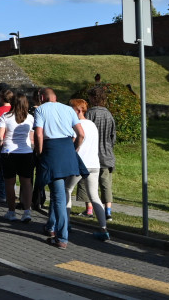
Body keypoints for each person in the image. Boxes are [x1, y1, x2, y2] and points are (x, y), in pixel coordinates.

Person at [33, 87, 85, 249]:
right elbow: (81, 134)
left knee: (59, 196)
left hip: (52, 151)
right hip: (68, 150)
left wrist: (40, 152)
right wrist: (74, 148)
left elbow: (39, 134)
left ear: (42, 97)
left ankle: (62, 237)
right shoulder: (68, 109)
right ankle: (51, 226)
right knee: (58, 194)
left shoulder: (40, 110)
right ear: (55, 97)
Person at [64, 99, 109, 241]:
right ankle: (103, 228)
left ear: (78, 110)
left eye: (71, 109)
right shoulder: (92, 125)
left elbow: (72, 141)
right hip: (94, 164)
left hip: (79, 163)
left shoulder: (75, 125)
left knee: (67, 190)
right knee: (94, 196)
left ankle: (66, 224)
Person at [79, 85, 117, 221]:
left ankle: (89, 209)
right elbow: (113, 136)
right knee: (106, 183)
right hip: (107, 154)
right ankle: (108, 211)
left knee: (87, 182)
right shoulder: (108, 114)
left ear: (93, 98)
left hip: (92, 154)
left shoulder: (89, 114)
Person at [0, 92, 35, 223]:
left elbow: (0, 136)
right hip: (26, 152)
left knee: (10, 183)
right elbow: (31, 138)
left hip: (9, 152)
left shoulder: (5, 116)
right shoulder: (30, 118)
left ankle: (12, 211)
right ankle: (27, 211)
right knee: (26, 183)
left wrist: (0, 144)